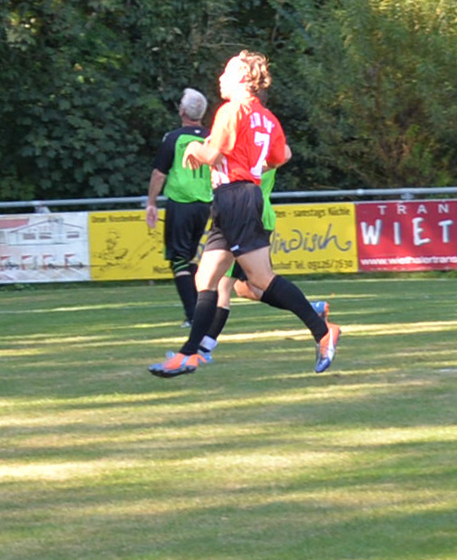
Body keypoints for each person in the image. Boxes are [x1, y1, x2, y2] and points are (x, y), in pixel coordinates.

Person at [151, 51, 339, 378]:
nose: (220, 79)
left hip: (235, 198)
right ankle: (190, 354)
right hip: (234, 198)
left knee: (259, 280)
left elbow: (210, 154)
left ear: (241, 78)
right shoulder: (267, 118)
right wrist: (251, 167)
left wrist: (196, 150)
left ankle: (321, 330)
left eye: (225, 73)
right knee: (206, 278)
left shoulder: (230, 110)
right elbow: (281, 156)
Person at [142, 87, 218, 347]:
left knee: (178, 260)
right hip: (204, 204)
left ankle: (194, 315)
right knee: (188, 258)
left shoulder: (173, 138)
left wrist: (151, 202)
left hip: (182, 203)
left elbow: (159, 174)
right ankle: (203, 309)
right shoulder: (211, 137)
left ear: (182, 111)